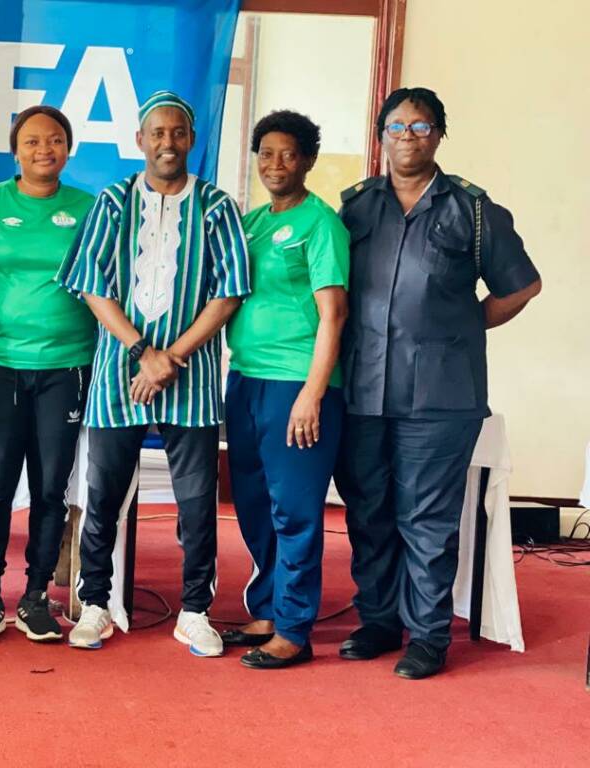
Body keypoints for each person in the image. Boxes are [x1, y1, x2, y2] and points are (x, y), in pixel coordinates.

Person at [335, 87, 541, 679]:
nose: (407, 136)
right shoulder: (353, 208)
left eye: (420, 126)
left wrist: (461, 326)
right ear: (380, 136)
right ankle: (377, 620)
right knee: (368, 511)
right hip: (363, 390)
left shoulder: (475, 212)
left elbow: (521, 287)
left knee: (425, 518)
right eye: (396, 126)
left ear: (439, 135)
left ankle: (427, 636)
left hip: (441, 397)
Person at [57, 91, 250, 656]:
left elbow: (229, 292)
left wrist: (172, 358)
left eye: (179, 133)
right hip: (120, 375)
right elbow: (93, 286)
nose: (168, 143)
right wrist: (144, 350)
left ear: (192, 141)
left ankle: (194, 612)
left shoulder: (217, 206)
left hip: (190, 380)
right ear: (140, 141)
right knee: (103, 497)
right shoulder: (114, 201)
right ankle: (95, 604)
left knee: (196, 504)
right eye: (157, 133)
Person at [0, 106, 96, 644]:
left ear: (68, 148)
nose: (45, 149)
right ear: (15, 150)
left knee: (50, 488)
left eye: (56, 140)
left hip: (66, 366)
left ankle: (37, 596)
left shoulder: (88, 208)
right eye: (33, 141)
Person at [222, 111, 349, 669]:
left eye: (288, 154)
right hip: (245, 378)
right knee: (252, 501)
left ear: (308, 161)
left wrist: (312, 393)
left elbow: (334, 315)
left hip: (296, 384)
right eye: (266, 153)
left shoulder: (321, 225)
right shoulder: (249, 224)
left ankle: (295, 629)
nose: (275, 164)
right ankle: (270, 607)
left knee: (294, 509)